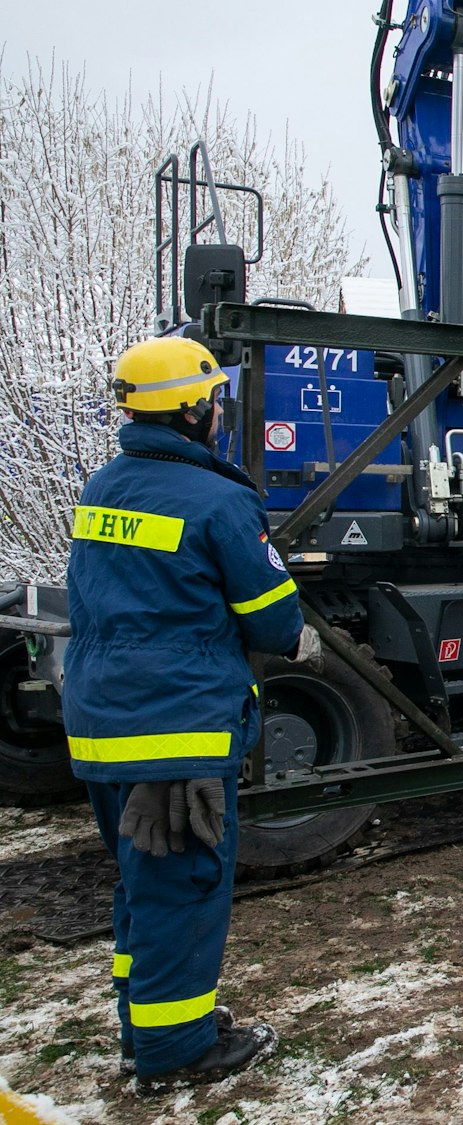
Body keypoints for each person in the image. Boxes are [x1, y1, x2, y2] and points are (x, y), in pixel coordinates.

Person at [66, 337, 300, 1093]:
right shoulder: (218, 500)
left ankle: (152, 1027)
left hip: (103, 723)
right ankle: (176, 1054)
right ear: (196, 409)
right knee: (185, 887)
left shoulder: (103, 487)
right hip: (176, 734)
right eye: (215, 400)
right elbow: (274, 621)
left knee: (142, 884)